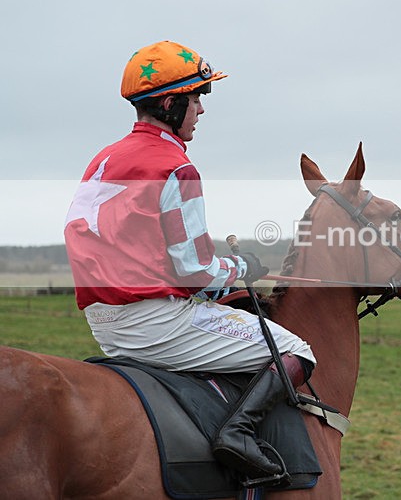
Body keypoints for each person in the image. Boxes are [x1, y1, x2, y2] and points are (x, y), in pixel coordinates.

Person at [64, 40, 315, 481]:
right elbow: (194, 270)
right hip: (156, 321)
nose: (201, 108)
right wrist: (242, 269)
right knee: (297, 350)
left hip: (103, 322)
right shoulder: (176, 166)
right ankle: (237, 434)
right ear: (168, 103)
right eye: (197, 97)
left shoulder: (104, 159)